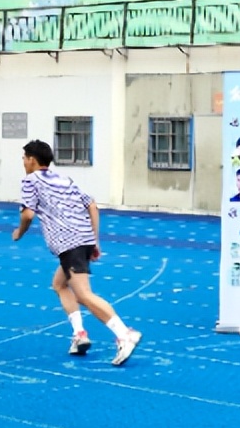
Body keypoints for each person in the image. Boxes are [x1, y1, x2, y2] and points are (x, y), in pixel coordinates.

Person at [11, 140, 142, 366]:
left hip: (69, 243)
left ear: (32, 159)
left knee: (83, 294)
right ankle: (80, 334)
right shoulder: (65, 180)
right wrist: (94, 241)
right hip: (81, 239)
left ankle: (124, 334)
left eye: (24, 158)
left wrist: (19, 232)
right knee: (59, 285)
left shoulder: (30, 181)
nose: (23, 162)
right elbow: (92, 205)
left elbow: (28, 215)